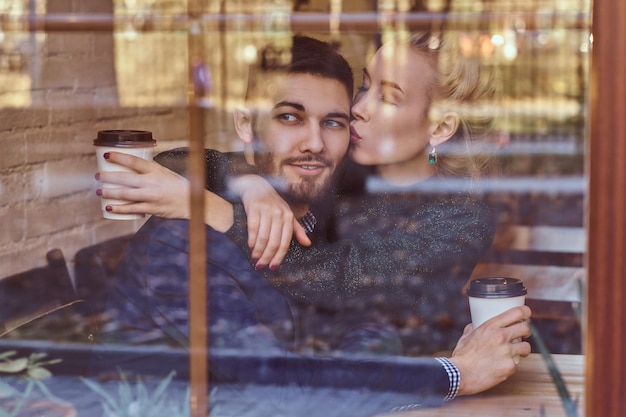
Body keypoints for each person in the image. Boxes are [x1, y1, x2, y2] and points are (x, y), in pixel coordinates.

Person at [96, 35, 531, 407]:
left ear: (440, 127)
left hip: (377, 388)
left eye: (387, 95)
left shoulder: (457, 216)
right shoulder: (332, 174)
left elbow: (337, 282)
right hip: (346, 390)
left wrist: (219, 209)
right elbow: (177, 162)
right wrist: (249, 183)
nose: (359, 107)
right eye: (364, 86)